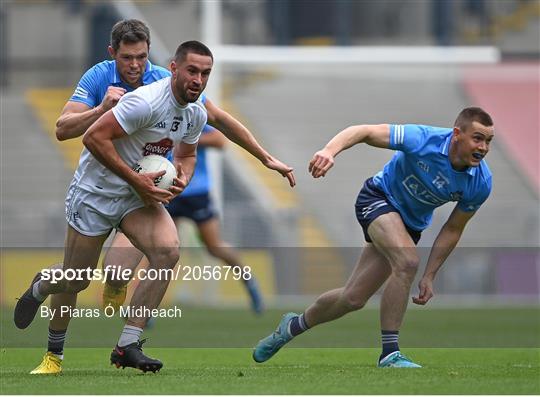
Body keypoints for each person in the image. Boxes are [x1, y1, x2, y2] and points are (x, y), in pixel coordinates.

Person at [14, 40, 294, 375]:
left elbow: (188, 154)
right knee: (76, 281)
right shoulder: (143, 101)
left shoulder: (195, 110)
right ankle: (42, 291)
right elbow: (92, 139)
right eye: (193, 71)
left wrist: (184, 178)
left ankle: (127, 345)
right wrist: (136, 180)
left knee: (168, 252)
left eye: (205, 73)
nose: (199, 80)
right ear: (174, 68)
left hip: (138, 197)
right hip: (96, 194)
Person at [252, 107, 493, 368]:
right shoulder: (423, 139)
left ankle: (291, 327)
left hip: (408, 225)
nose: (483, 147)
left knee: (353, 298)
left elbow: (453, 229)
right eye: (477, 138)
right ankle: (390, 353)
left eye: (489, 141)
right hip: (378, 198)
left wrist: (431, 274)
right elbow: (363, 131)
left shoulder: (480, 182)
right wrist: (329, 151)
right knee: (408, 262)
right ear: (457, 134)